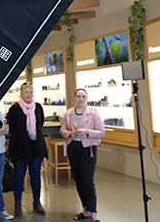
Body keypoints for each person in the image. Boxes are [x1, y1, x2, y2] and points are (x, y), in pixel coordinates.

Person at [60, 88, 105, 222]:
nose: (80, 99)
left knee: (87, 181)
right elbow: (62, 129)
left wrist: (87, 132)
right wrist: (69, 133)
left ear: (86, 98)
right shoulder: (69, 113)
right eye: (78, 96)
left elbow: (102, 132)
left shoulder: (93, 113)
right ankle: (85, 209)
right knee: (78, 181)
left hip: (88, 149)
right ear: (74, 97)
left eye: (83, 96)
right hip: (73, 148)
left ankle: (93, 213)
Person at [6, 82, 47, 217]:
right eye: (26, 92)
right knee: (19, 175)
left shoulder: (38, 107)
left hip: (36, 147)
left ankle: (37, 202)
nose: (28, 95)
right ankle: (17, 203)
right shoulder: (14, 109)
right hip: (19, 148)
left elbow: (40, 123)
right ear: (21, 94)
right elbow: (10, 128)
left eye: (30, 92)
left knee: (35, 174)